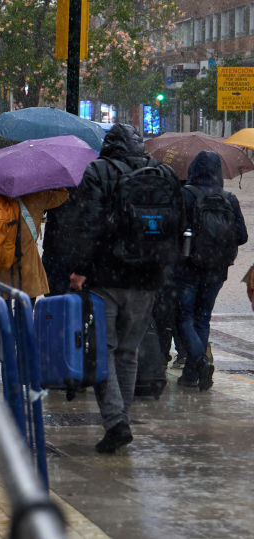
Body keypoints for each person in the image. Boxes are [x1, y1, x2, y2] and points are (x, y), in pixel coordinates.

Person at [63, 123, 181, 454]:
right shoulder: (163, 173)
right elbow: (178, 225)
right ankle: (121, 418)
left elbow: (89, 225)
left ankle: (116, 421)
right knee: (128, 351)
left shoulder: (99, 171)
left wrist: (80, 270)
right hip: (148, 277)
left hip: (107, 277)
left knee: (103, 351)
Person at [174, 150, 247, 391]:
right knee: (202, 318)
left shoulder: (185, 195)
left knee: (184, 317)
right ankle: (191, 374)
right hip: (217, 269)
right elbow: (243, 236)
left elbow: (172, 229)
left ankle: (200, 361)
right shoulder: (229, 199)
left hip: (188, 267)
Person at [0, 188, 68, 299]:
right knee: (24, 310)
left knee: (1, 311)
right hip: (25, 269)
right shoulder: (38, 195)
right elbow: (63, 195)